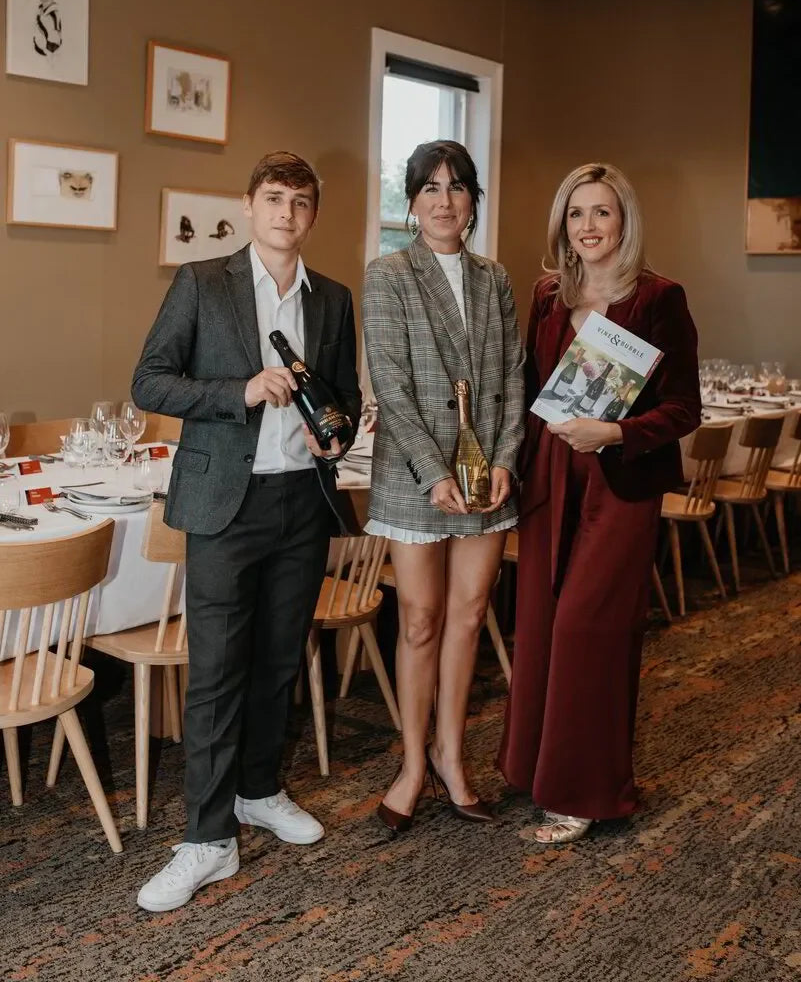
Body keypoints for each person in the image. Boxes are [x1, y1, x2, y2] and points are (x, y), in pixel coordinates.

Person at [132, 151, 360, 910]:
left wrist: (340, 435)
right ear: (248, 205)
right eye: (273, 199)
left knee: (277, 662)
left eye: (299, 202)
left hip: (302, 502)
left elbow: (346, 398)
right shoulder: (203, 283)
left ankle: (260, 789)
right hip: (225, 504)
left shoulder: (331, 298)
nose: (285, 213)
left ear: (312, 215)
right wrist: (241, 389)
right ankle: (206, 838)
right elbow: (150, 382)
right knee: (217, 673)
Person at [498, 163, 701, 844]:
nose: (587, 226)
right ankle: (534, 770)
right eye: (575, 213)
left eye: (601, 213)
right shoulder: (548, 294)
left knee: (588, 632)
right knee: (541, 625)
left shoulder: (657, 298)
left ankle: (585, 792)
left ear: (623, 221)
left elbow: (683, 408)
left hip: (617, 485)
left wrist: (614, 431)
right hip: (549, 478)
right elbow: (529, 385)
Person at [362, 140, 524, 832]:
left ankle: (452, 757)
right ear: (411, 201)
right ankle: (409, 764)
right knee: (420, 620)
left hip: (487, 475)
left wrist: (507, 458)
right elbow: (391, 389)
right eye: (429, 188)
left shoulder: (496, 279)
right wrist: (433, 473)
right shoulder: (388, 275)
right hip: (414, 476)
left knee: (467, 616)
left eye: (457, 187)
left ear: (472, 202)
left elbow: (516, 379)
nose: (444, 199)